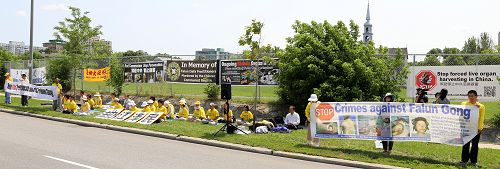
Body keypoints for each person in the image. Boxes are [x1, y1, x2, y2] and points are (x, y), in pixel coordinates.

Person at [460, 90, 486, 166]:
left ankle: (473, 161)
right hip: (466, 127)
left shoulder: (481, 106)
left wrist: (480, 128)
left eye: (472, 96)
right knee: (465, 144)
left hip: (476, 129)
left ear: (476, 96)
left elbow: (481, 118)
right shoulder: (464, 104)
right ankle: (464, 160)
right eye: (469, 96)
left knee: (475, 145)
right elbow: (461, 115)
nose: (471, 97)